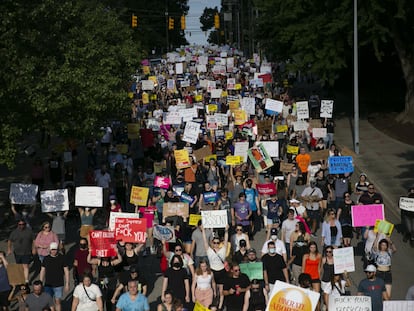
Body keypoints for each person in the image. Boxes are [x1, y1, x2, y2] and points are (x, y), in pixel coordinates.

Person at [202, 225, 229, 309]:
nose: (216, 244)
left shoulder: (223, 250)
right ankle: (213, 305)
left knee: (221, 291)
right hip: (213, 271)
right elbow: (205, 241)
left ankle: (220, 307)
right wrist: (203, 230)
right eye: (215, 243)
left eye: (218, 243)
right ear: (212, 243)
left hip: (221, 271)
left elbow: (226, 240)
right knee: (213, 291)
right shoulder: (209, 251)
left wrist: (226, 231)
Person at [39, 242, 70, 311]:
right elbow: (42, 270)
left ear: (58, 249)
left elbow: (66, 271)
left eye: (55, 249)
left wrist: (67, 283)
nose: (54, 251)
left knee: (58, 301)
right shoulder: (46, 259)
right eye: (52, 249)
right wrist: (40, 282)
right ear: (50, 250)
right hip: (48, 284)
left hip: (59, 284)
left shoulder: (62, 258)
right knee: (48, 302)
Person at [7, 220, 34, 284]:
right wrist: (9, 249)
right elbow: (9, 241)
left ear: (25, 224)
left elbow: (33, 240)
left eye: (23, 224)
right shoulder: (14, 232)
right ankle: (20, 278)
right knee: (19, 266)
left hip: (27, 252)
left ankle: (26, 280)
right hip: (17, 252)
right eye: (20, 224)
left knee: (26, 266)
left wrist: (34, 249)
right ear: (18, 225)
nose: (21, 225)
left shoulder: (29, 231)